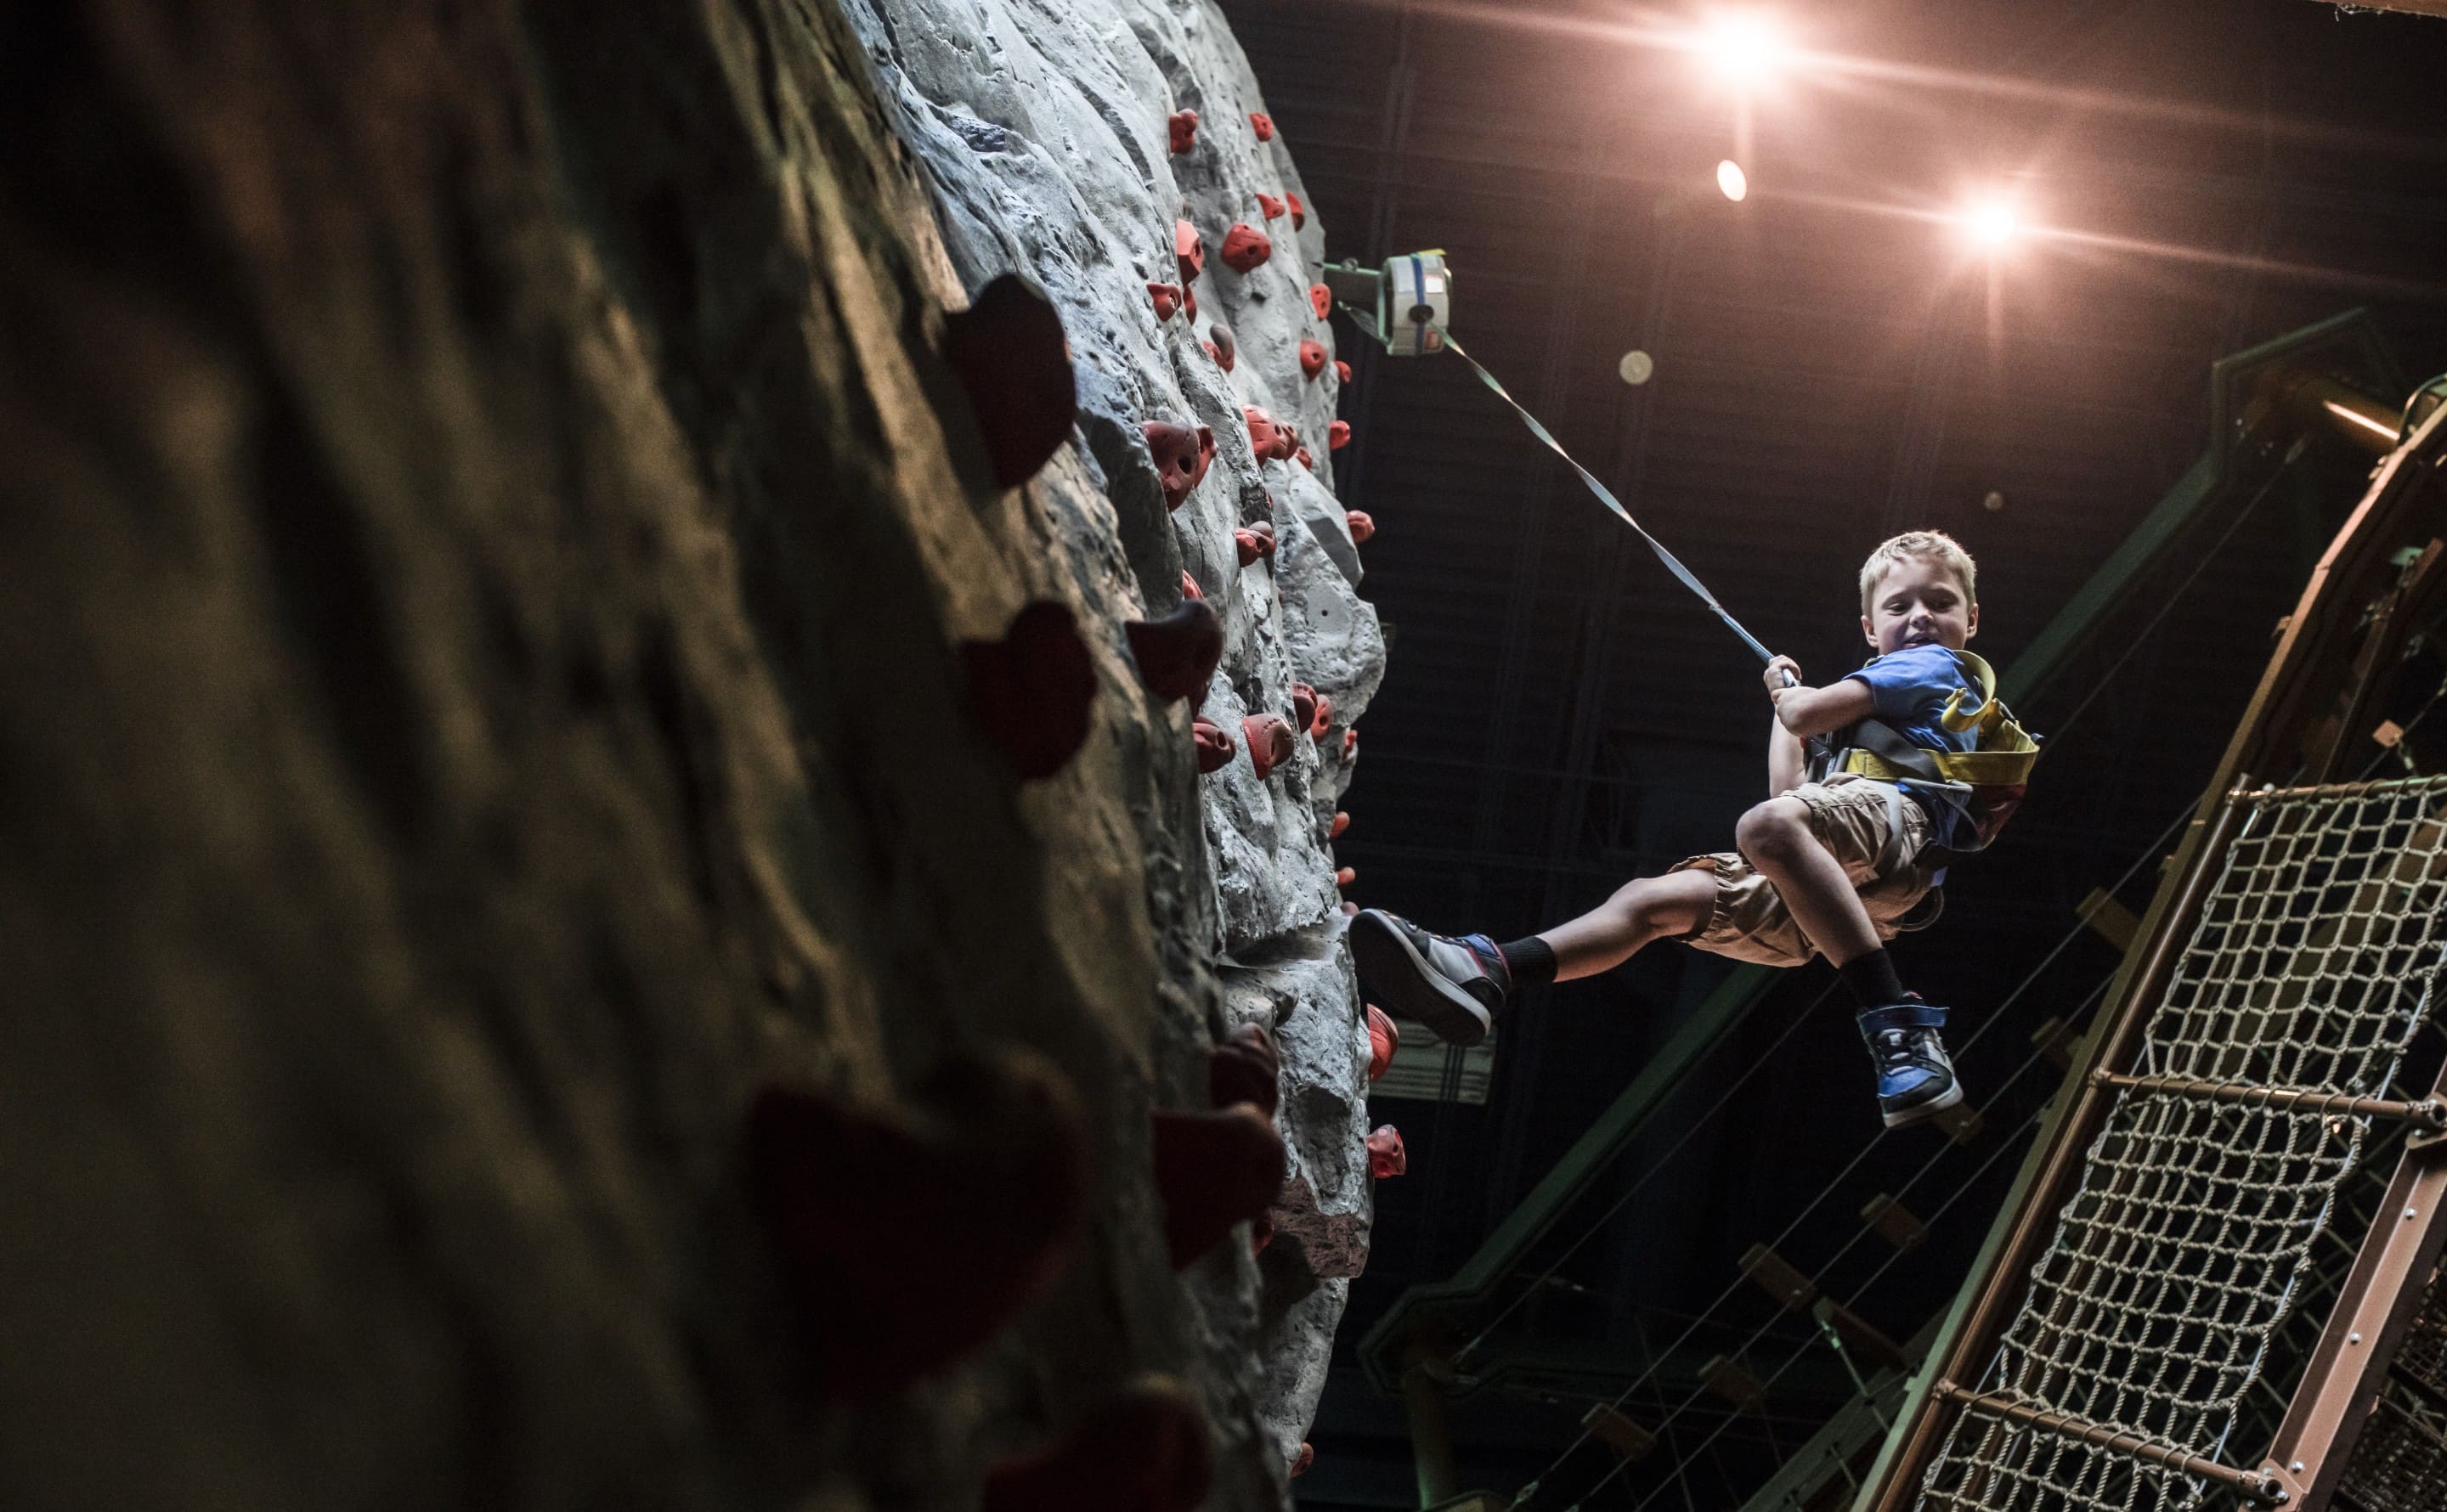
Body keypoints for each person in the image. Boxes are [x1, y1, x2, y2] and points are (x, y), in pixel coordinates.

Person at [1348, 530, 2035, 1129]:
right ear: (1867, 625)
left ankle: (1897, 1025)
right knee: (1655, 901)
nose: (1920, 617)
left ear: (1970, 619)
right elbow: (1789, 796)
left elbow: (1806, 722)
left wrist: (1790, 701)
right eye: (1900, 606)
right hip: (1855, 892)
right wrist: (1781, 707)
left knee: (1763, 830)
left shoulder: (1936, 667)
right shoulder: (1884, 708)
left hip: (1895, 823)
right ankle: (1490, 969)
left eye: (1940, 602)